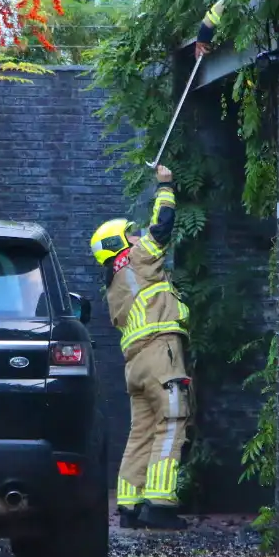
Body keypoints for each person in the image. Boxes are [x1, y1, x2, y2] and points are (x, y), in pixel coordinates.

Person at [89, 164, 192, 530]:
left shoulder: (114, 284)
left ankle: (130, 506)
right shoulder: (135, 258)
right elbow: (162, 225)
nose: (136, 236)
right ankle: (160, 505)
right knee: (172, 421)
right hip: (160, 355)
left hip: (135, 367)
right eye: (129, 235)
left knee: (141, 432)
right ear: (120, 245)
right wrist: (165, 184)